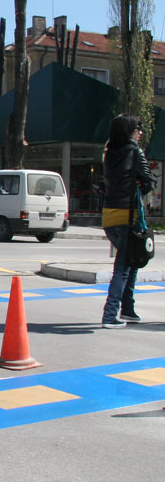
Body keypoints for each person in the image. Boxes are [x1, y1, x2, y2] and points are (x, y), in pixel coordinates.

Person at [100, 114, 155, 329]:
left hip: (109, 214)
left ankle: (128, 309)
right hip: (129, 214)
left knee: (131, 261)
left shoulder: (108, 152)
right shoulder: (134, 151)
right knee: (124, 265)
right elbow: (148, 180)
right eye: (137, 128)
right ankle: (110, 314)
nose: (140, 132)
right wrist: (141, 187)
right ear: (129, 131)